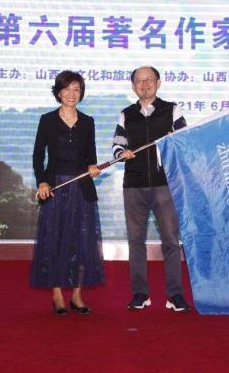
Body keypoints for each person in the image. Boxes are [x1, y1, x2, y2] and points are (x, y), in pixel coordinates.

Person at [112, 66, 191, 312]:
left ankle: (175, 295)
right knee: (136, 241)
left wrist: (173, 141)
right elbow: (117, 144)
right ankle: (140, 293)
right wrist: (121, 153)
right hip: (133, 185)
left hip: (165, 184)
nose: (144, 84)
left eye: (149, 80)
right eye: (139, 81)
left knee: (171, 241)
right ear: (133, 86)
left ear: (158, 83)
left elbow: (185, 142)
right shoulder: (126, 114)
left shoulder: (172, 110)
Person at [30, 70, 104, 315]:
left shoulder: (88, 121)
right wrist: (42, 182)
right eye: (67, 89)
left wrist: (93, 169)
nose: (72, 94)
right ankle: (57, 295)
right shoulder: (47, 120)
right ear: (58, 92)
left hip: (81, 190)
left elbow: (91, 158)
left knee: (82, 243)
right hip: (55, 189)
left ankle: (77, 296)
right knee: (55, 241)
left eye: (76, 89)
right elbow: (38, 156)